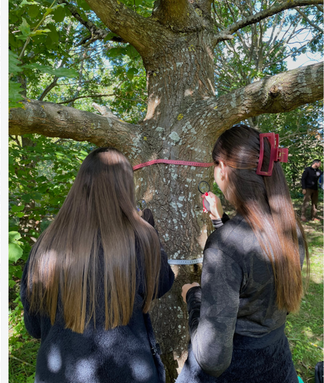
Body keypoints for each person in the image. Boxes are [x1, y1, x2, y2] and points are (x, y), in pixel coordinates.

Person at [21, 147, 175, 383]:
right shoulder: (141, 239)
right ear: (125, 188)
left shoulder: (45, 245)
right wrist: (151, 234)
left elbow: (34, 327)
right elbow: (162, 285)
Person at [178, 126, 307, 383]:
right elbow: (254, 261)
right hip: (277, 363)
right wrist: (220, 219)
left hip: (237, 372)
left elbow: (212, 358)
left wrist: (193, 297)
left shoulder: (224, 247)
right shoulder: (291, 230)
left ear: (223, 168)